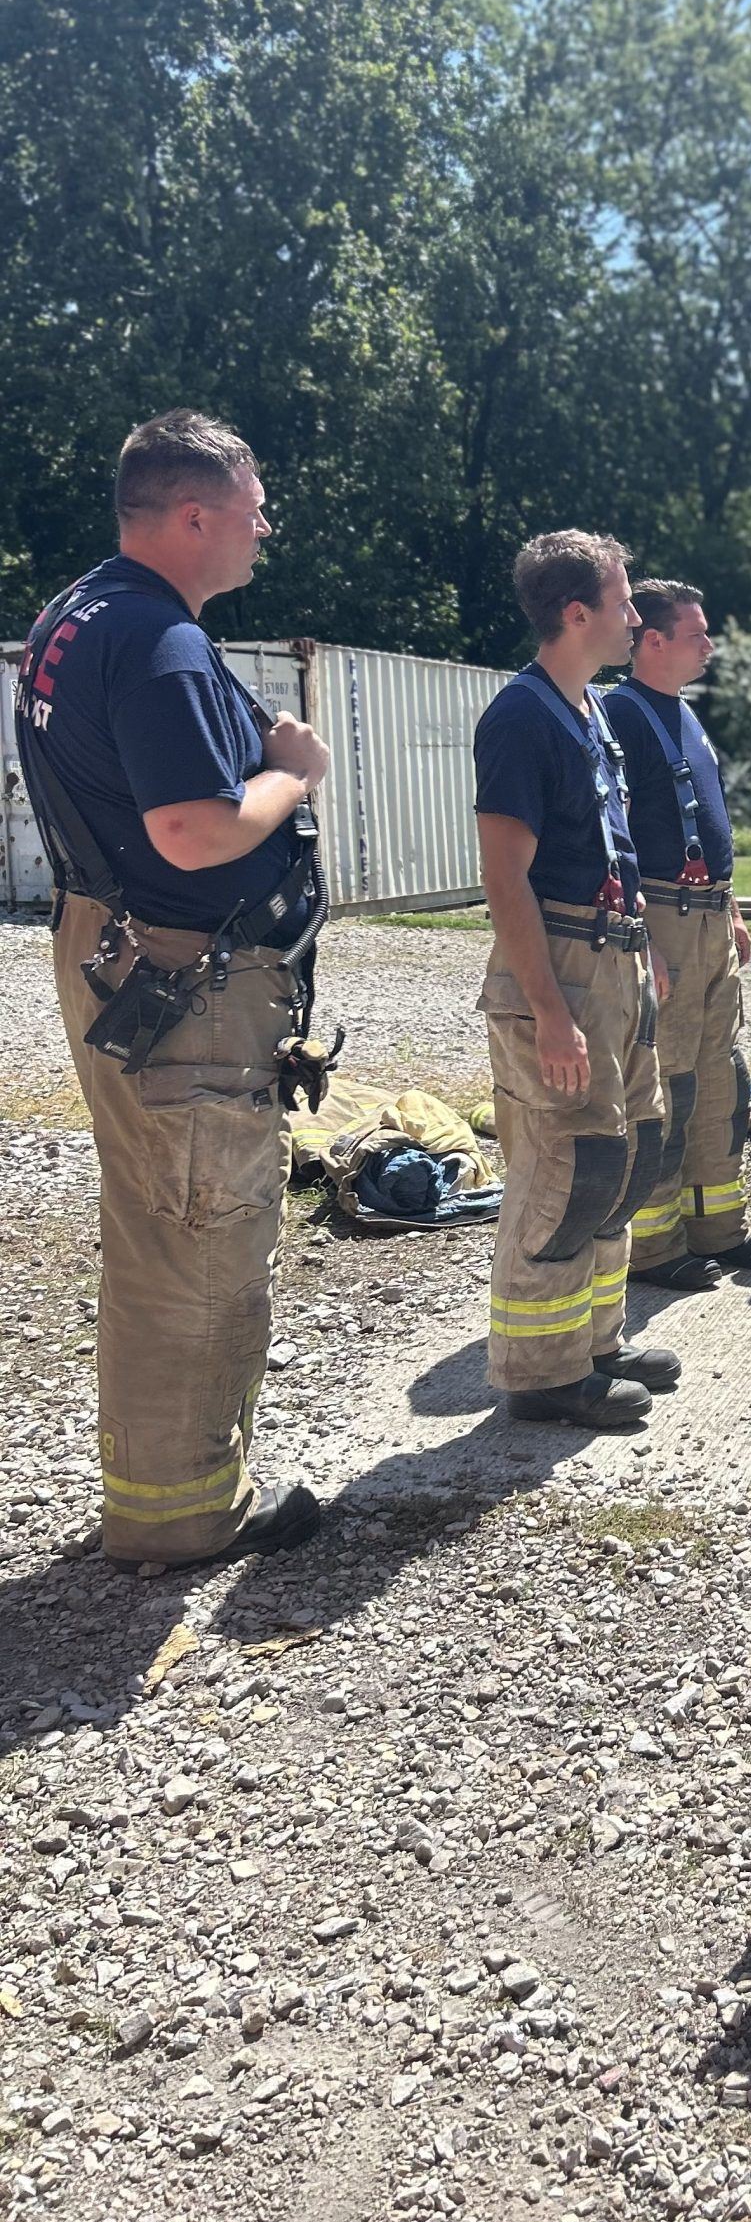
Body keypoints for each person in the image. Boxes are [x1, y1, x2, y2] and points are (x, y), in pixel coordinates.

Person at [13, 410, 329, 1570]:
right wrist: (291, 778)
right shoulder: (158, 639)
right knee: (200, 1226)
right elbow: (194, 829)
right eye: (252, 510)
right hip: (180, 976)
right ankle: (186, 1515)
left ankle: (164, 1492)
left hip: (122, 948)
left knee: (158, 1220)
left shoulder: (77, 610)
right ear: (193, 515)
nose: (264, 530)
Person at [472, 532, 679, 1430]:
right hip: (559, 964)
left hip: (615, 958)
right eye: (625, 601)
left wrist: (642, 952)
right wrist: (551, 1014)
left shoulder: (588, 710)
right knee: (566, 1162)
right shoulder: (520, 717)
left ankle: (594, 1343)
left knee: (626, 1152)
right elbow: (504, 877)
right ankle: (540, 1372)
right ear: (576, 612)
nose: (637, 617)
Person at [604, 578, 751, 1290]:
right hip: (664, 918)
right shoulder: (622, 714)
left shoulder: (683, 715)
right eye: (697, 633)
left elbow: (704, 825)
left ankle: (719, 1228)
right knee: (667, 1083)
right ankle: (654, 1246)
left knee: (720, 1082)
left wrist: (732, 907)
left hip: (708, 914)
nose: (710, 645)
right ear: (653, 641)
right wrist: (645, 935)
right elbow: (614, 839)